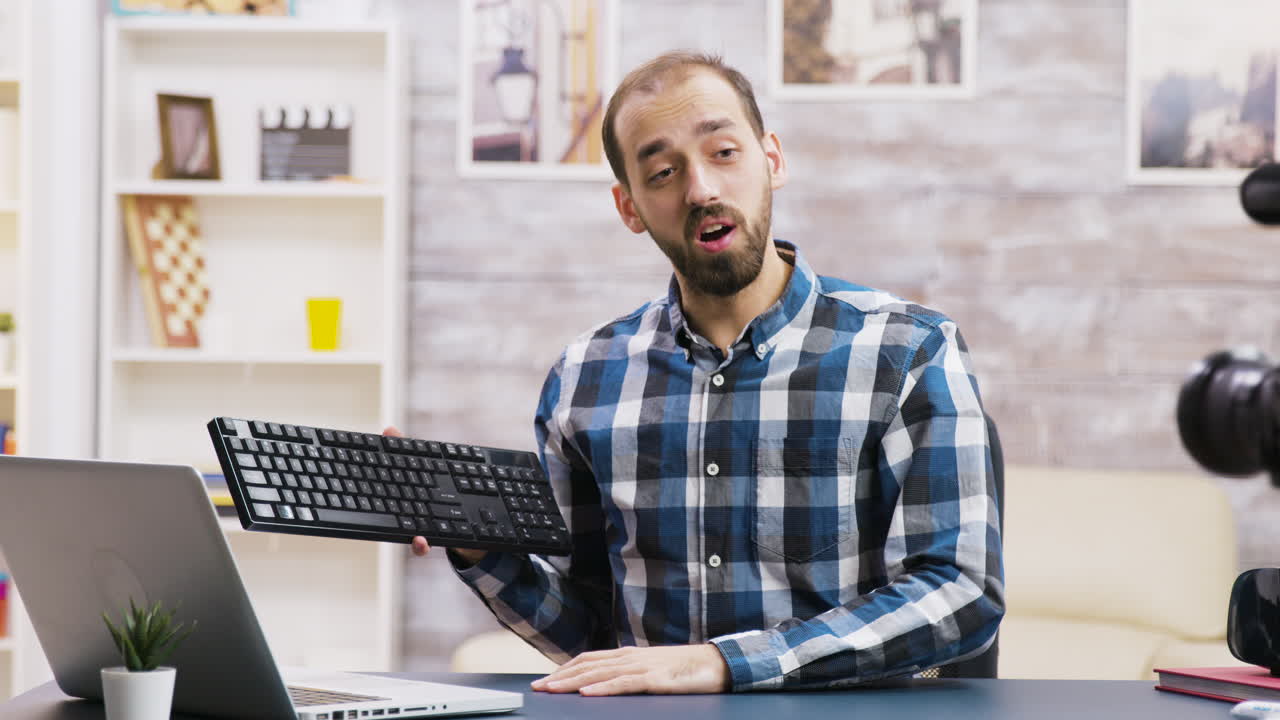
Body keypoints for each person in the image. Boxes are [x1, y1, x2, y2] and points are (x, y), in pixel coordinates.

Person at [394, 50, 1003, 696]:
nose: (702, 190)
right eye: (662, 172)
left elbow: (959, 591)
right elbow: (595, 634)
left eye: (724, 153)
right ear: (629, 207)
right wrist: (479, 548)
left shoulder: (909, 351)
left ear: (772, 159)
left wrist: (723, 662)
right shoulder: (584, 381)